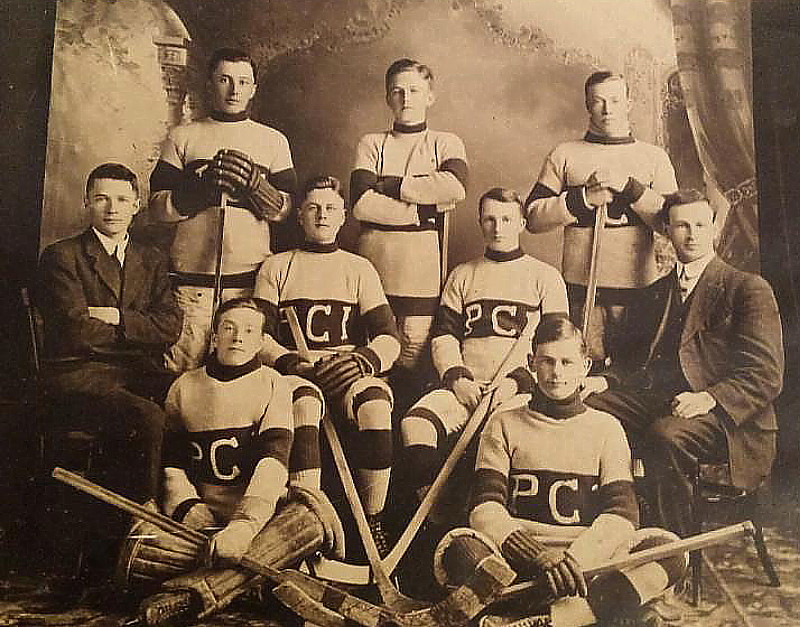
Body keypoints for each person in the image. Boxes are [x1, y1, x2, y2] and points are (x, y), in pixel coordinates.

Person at [441, 315, 686, 627]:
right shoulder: (503, 422)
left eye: (567, 362)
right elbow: (485, 507)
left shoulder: (606, 427)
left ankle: (540, 618)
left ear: (585, 366)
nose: (557, 373)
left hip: (584, 565)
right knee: (458, 547)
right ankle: (591, 613)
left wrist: (574, 562)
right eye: (547, 361)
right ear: (531, 362)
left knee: (671, 551)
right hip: (518, 561)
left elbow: (622, 514)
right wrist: (537, 556)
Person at [585, 190, 784, 538]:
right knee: (585, 410)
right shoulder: (656, 291)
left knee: (665, 437)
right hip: (662, 402)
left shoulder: (747, 288)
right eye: (681, 225)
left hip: (729, 419)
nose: (691, 234)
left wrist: (709, 398)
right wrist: (605, 381)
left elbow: (765, 374)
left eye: (700, 225)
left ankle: (669, 549)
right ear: (666, 230)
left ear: (714, 230)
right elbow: (632, 361)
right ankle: (608, 529)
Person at [254, 176, 401, 555]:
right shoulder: (277, 266)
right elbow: (258, 334)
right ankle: (309, 522)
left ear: (343, 216)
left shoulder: (359, 267)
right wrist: (291, 363)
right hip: (296, 372)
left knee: (375, 406)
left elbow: (388, 337)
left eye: (331, 208)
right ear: (300, 215)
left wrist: (361, 360)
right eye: (313, 208)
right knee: (302, 403)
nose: (322, 215)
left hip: (346, 370)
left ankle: (373, 518)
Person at [400, 187, 567, 509]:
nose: (498, 227)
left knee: (497, 436)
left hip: (517, 392)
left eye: (506, 219)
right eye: (489, 219)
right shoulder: (462, 274)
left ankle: (483, 517)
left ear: (521, 223)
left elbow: (556, 347)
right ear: (480, 223)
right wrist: (458, 378)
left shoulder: (545, 277)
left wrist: (517, 381)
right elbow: (444, 336)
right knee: (415, 424)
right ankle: (434, 513)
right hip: (467, 388)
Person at [38, 162, 182, 505]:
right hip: (79, 375)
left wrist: (116, 317)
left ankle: (181, 505)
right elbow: (76, 332)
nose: (112, 209)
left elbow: (170, 326)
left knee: (189, 398)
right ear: (87, 202)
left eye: (121, 199)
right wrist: (139, 328)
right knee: (148, 418)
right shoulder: (62, 256)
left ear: (136, 205)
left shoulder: (152, 258)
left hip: (137, 372)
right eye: (101, 198)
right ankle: (141, 518)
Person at [150, 47, 297, 373]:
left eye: (243, 82)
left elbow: (287, 210)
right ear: (210, 83)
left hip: (248, 283)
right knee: (182, 372)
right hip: (191, 287)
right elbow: (156, 208)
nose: (234, 90)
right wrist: (197, 193)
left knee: (242, 376)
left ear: (254, 88)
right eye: (225, 80)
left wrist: (259, 188)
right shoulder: (183, 137)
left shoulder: (273, 141)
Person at [524, 71, 677, 363]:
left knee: (630, 372)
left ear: (629, 103)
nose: (607, 109)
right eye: (598, 101)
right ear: (587, 105)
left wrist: (631, 189)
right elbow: (532, 218)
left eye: (616, 100)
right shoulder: (565, 154)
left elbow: (671, 224)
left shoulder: (653, 157)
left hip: (638, 290)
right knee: (582, 369)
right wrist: (582, 199)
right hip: (581, 291)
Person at [161, 296, 323, 563]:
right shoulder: (183, 386)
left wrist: (244, 525)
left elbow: (272, 463)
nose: (237, 337)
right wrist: (187, 507)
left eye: (249, 331)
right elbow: (172, 463)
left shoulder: (273, 384)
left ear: (260, 343)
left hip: (259, 517)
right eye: (229, 328)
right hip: (201, 517)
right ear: (214, 338)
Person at [350, 57, 468, 399]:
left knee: (413, 358)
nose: (406, 98)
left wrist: (394, 185)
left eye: (415, 90)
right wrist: (423, 212)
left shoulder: (446, 142)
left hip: (420, 270)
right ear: (388, 98)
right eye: (397, 91)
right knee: (373, 352)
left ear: (430, 96)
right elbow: (361, 204)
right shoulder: (371, 143)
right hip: (374, 263)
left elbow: (455, 188)